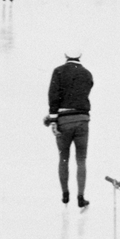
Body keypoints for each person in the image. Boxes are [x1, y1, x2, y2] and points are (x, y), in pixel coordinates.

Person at [45, 48, 94, 208]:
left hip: (63, 121)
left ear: (65, 55)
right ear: (80, 55)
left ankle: (65, 194)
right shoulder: (87, 74)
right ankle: (81, 197)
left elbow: (53, 96)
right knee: (81, 159)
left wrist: (53, 120)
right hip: (82, 120)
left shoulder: (58, 72)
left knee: (63, 158)